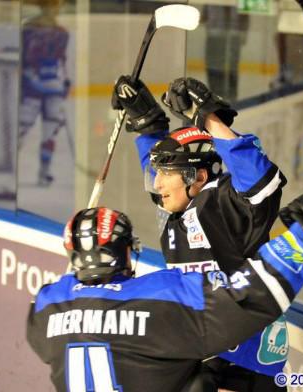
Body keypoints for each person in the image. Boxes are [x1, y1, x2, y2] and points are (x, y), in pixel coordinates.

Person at [26, 177, 303, 392]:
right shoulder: (160, 301)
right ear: (126, 251)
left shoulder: (45, 309)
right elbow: (248, 295)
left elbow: (78, 301)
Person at [111, 76, 289, 390]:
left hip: (243, 360)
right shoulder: (176, 208)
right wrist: (147, 123)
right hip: (204, 351)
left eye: (167, 174)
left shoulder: (224, 204)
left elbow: (262, 179)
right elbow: (156, 167)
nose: (157, 184)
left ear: (199, 177)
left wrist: (208, 117)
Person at [20, 0, 70, 186]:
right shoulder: (28, 29)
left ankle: (44, 172)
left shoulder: (62, 33)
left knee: (49, 133)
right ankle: (16, 171)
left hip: (52, 89)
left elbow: (62, 62)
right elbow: (25, 59)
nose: (56, 9)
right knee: (21, 128)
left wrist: (64, 83)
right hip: (34, 87)